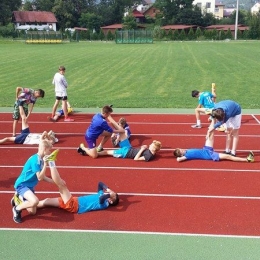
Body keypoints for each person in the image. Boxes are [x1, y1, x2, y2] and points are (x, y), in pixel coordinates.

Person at [37, 157, 119, 214]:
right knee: (46, 201)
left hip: (74, 205)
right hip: (73, 200)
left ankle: (51, 162)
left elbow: (101, 198)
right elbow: (100, 183)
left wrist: (109, 194)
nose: (112, 194)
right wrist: (108, 189)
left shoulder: (105, 204)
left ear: (111, 201)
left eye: (113, 197)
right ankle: (30, 206)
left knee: (61, 184)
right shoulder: (101, 194)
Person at [11, 145, 59, 223]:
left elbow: (43, 177)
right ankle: (17, 209)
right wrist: (46, 164)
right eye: (49, 150)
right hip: (22, 185)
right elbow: (39, 177)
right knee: (35, 201)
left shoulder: (41, 160)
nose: (50, 152)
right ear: (45, 149)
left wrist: (56, 182)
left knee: (32, 212)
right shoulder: (35, 160)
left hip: (29, 187)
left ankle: (18, 198)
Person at [173, 121, 254, 163]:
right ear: (181, 154)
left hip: (205, 149)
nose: (182, 150)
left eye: (181, 149)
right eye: (181, 151)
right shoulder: (186, 156)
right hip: (210, 155)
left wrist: (178, 151)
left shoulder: (187, 151)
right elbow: (178, 160)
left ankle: (213, 118)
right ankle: (247, 160)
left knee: (210, 132)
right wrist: (179, 157)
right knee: (228, 157)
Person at [93, 116, 162, 161]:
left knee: (106, 152)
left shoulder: (149, 156)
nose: (149, 145)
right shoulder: (152, 152)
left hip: (125, 153)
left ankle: (91, 152)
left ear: (154, 149)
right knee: (122, 131)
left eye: (151, 146)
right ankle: (108, 116)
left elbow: (136, 159)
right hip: (128, 147)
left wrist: (142, 149)